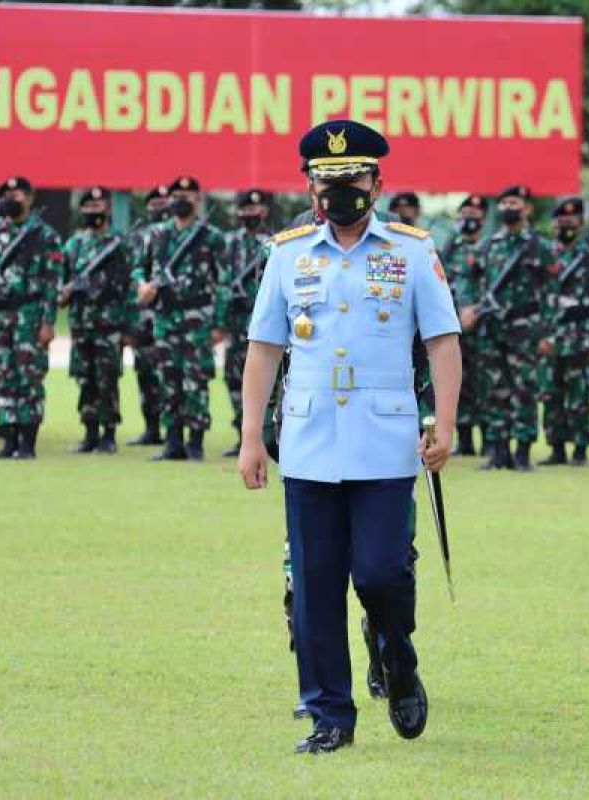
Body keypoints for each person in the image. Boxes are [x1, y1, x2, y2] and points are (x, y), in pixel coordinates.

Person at [239, 119, 461, 754]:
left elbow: (443, 342)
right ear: (309, 186)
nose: (340, 190)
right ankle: (330, 713)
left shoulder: (412, 251)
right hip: (309, 442)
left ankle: (398, 655)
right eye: (327, 180)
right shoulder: (287, 254)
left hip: (386, 443)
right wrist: (251, 436)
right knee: (313, 582)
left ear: (377, 182)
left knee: (383, 573)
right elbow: (263, 348)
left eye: (353, 179)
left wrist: (443, 425)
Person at [0, 176, 63, 460]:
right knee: (3, 376)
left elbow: (52, 282)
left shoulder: (44, 235)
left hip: (29, 316)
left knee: (28, 378)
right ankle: (8, 439)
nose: (12, 198)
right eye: (7, 194)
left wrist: (48, 321)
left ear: (30, 199)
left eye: (18, 194)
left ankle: (27, 443)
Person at [459, 185, 556, 471]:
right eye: (504, 203)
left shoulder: (541, 247)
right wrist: (467, 306)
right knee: (494, 390)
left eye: (514, 202)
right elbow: (467, 278)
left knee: (525, 389)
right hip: (493, 328)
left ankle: (523, 451)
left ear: (527, 208)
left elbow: (552, 291)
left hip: (527, 329)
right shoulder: (488, 246)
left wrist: (549, 332)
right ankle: (498, 450)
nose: (508, 208)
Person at [135, 175, 228, 462]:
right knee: (168, 381)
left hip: (197, 319)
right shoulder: (157, 234)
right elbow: (140, 267)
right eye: (177, 195)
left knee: (195, 381)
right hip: (165, 318)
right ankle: (172, 442)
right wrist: (143, 285)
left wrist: (220, 323)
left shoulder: (211, 237)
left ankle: (196, 443)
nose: (181, 200)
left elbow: (223, 281)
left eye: (188, 196)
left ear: (198, 199)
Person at [60, 186, 134, 454]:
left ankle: (109, 434)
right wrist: (66, 292)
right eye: (88, 208)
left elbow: (129, 287)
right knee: (85, 378)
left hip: (109, 324)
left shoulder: (119, 244)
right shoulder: (74, 244)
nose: (93, 212)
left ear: (108, 210)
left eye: (98, 207)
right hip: (81, 324)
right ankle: (89, 432)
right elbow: (61, 284)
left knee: (108, 379)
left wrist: (127, 326)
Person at [539, 196, 589, 465]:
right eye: (562, 221)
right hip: (550, 338)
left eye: (572, 220)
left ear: (581, 222)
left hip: (581, 338)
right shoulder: (544, 256)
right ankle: (556, 449)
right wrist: (539, 336)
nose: (566, 225)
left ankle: (580, 450)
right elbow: (535, 299)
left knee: (580, 396)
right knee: (551, 395)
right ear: (554, 225)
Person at [221, 188, 273, 456]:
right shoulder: (230, 243)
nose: (250, 215)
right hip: (237, 321)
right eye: (245, 210)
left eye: (255, 209)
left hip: (265, 323)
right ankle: (243, 435)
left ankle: (267, 433)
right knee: (233, 377)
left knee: (269, 379)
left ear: (264, 211)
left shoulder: (275, 243)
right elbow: (220, 279)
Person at [444, 194, 488, 455]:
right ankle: (465, 440)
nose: (470, 218)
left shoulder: (489, 247)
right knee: (459, 383)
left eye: (476, 214)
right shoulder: (450, 249)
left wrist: (474, 311)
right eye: (466, 214)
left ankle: (490, 441)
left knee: (484, 383)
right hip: (452, 327)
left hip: (482, 327)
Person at [126, 184, 170, 447]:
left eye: (163, 203)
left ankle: (179, 433)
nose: (158, 209)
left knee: (173, 374)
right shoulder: (140, 236)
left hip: (173, 316)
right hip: (144, 318)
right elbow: (133, 270)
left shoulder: (188, 235)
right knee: (145, 373)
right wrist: (140, 284)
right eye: (153, 204)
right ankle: (151, 428)